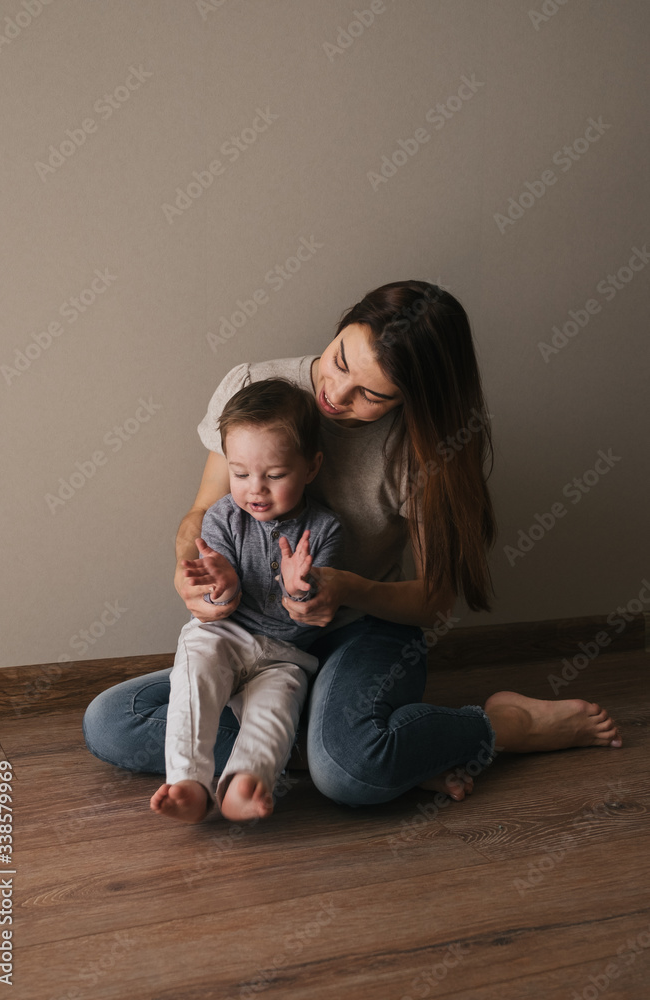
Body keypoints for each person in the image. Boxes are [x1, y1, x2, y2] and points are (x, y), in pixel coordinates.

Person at [83, 279, 621, 812]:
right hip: (253, 633)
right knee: (112, 721)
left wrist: (346, 589)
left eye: (372, 395)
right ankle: (360, 749)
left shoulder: (421, 448)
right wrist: (193, 573)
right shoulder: (253, 386)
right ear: (343, 325)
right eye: (340, 360)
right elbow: (202, 515)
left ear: (411, 399)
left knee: (349, 773)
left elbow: (434, 599)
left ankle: (502, 725)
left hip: (363, 629)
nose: (336, 396)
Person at [150, 378, 342, 823]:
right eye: (240, 474)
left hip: (284, 655)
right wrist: (222, 582)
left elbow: (311, 612)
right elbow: (218, 598)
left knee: (275, 712)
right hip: (224, 635)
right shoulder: (222, 517)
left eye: (274, 475)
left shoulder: (326, 529)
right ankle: (188, 781)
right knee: (193, 680)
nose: (255, 489)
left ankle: (244, 782)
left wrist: (299, 586)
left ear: (310, 467)